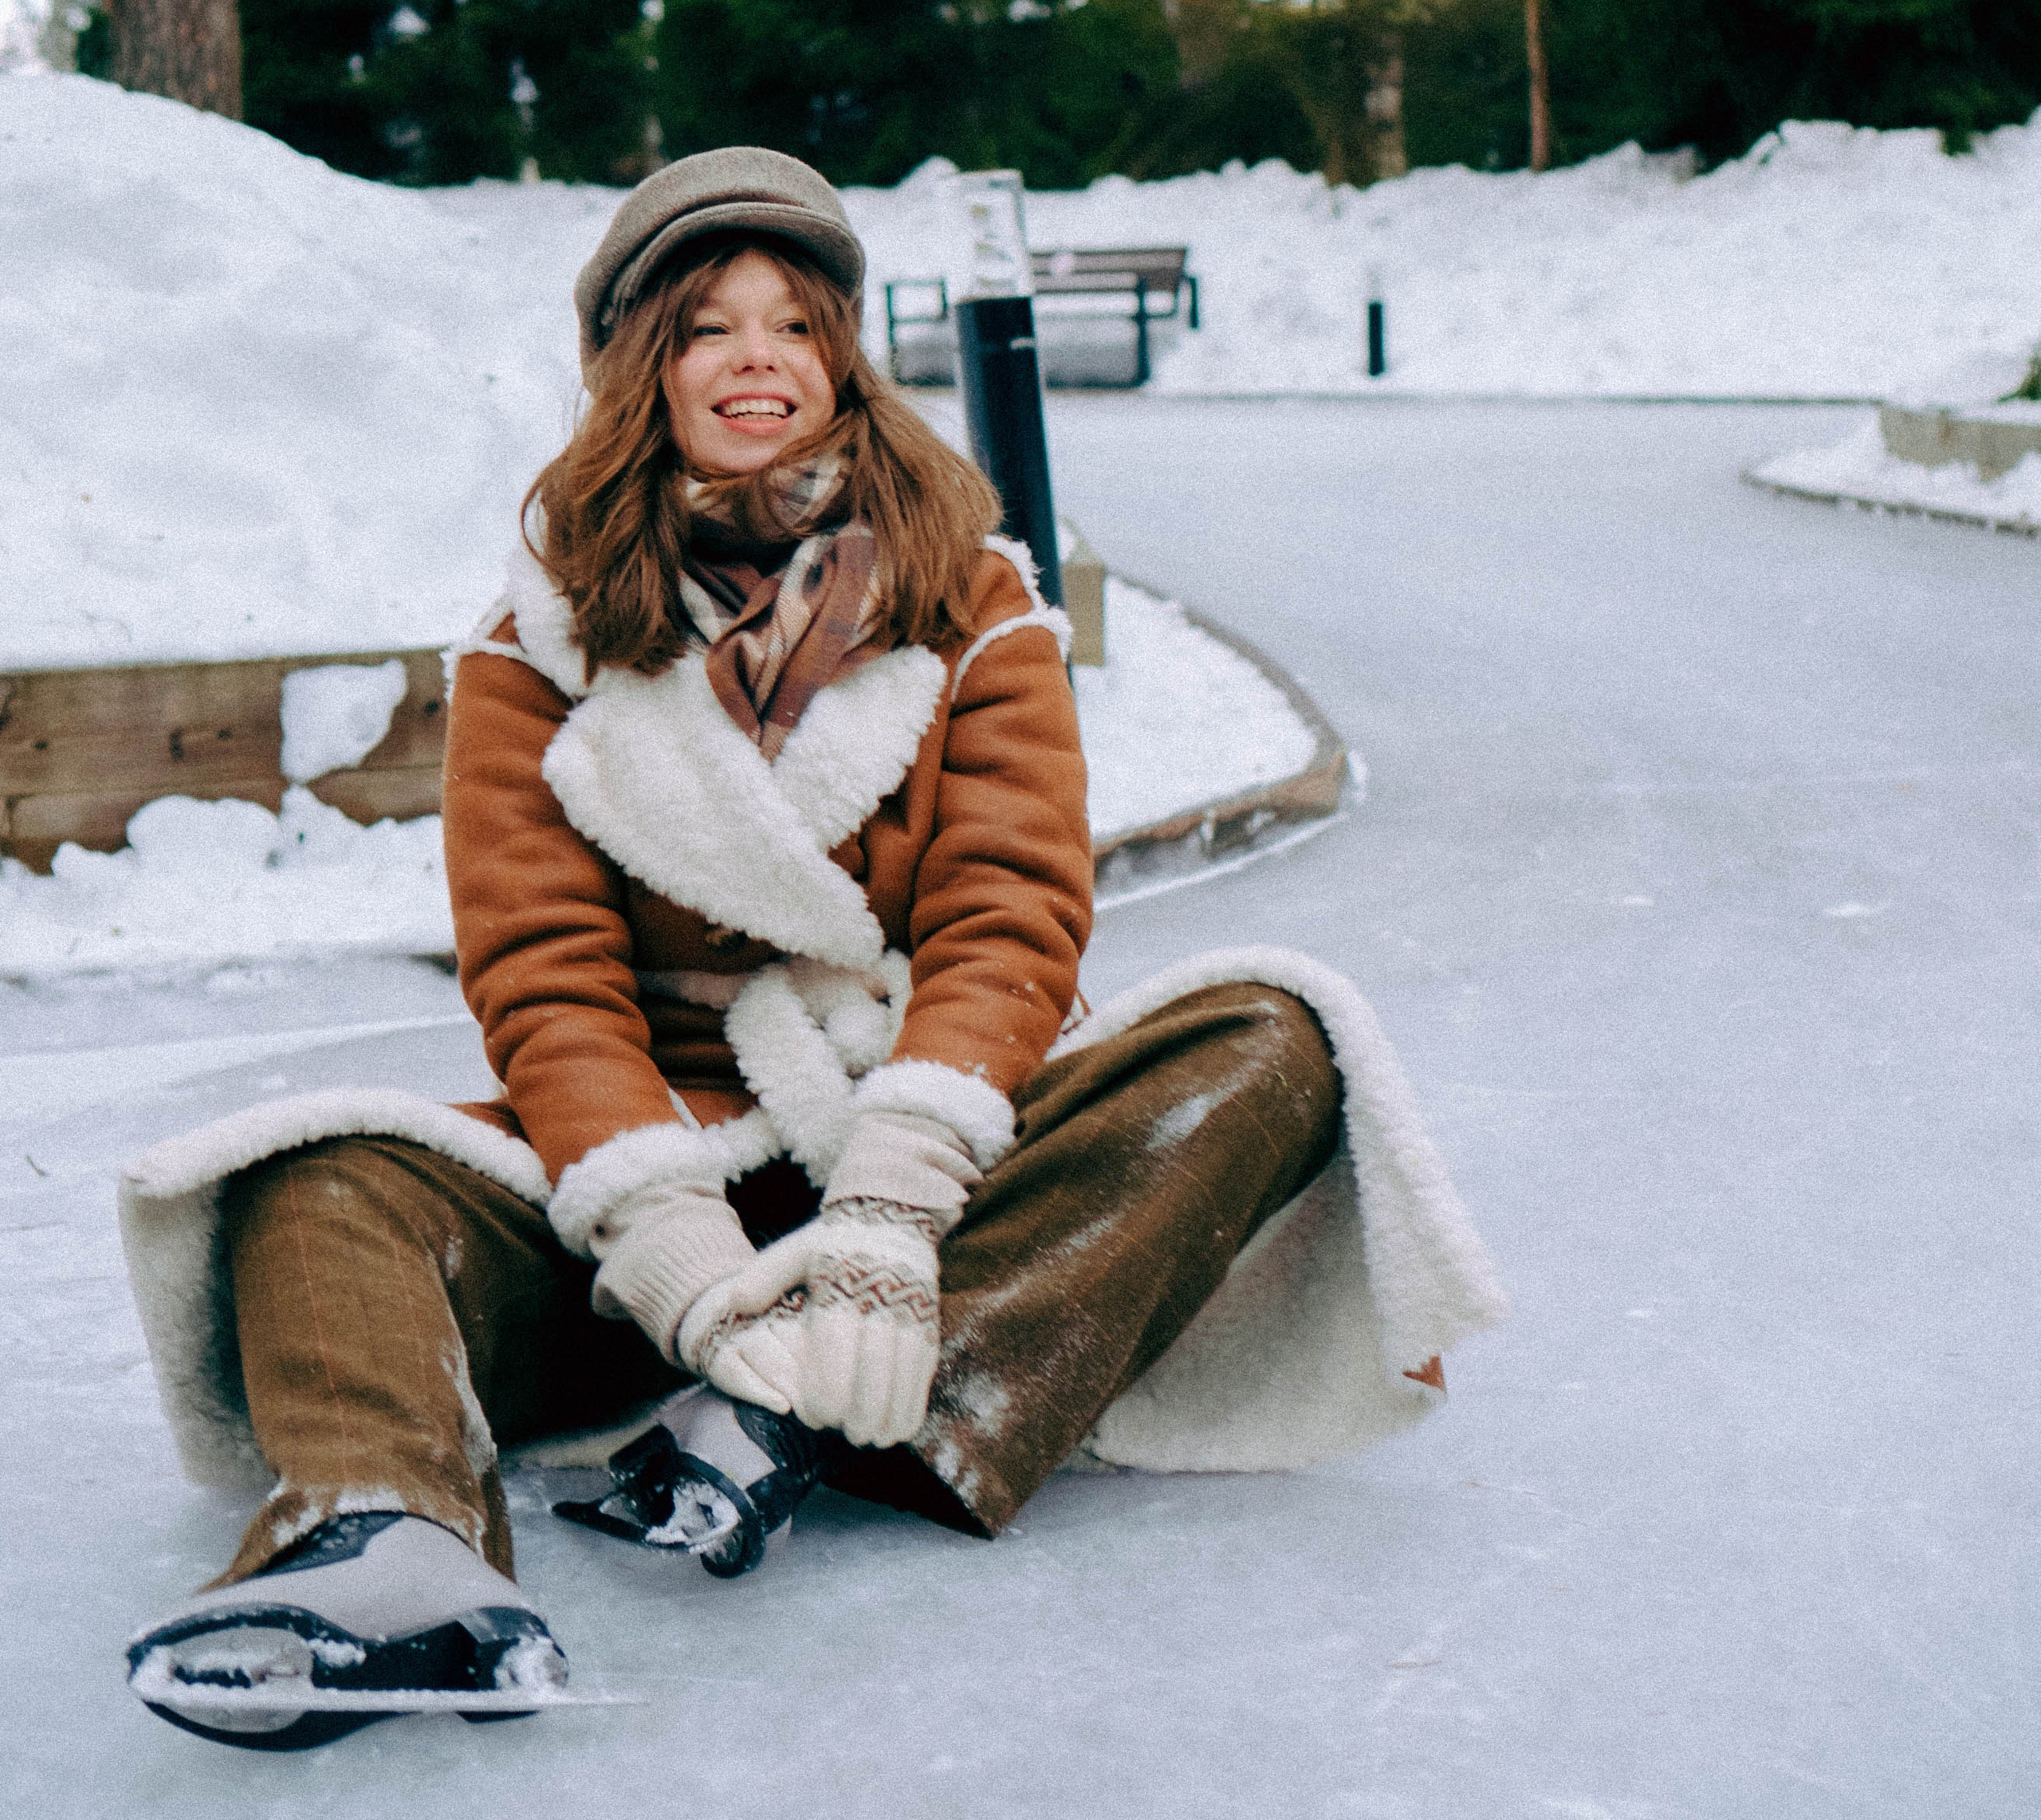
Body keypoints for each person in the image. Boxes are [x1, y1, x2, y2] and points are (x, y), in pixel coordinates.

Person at [119, 147, 1503, 1751]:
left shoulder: (970, 598)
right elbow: (545, 980)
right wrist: (677, 1258)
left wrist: (891, 1209)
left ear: (843, 355)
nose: (758, 356)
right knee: (315, 1181)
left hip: (928, 1157)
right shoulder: (534, 644)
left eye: (795, 321)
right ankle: (384, 1542)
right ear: (638, 364)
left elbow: (1007, 913)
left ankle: (785, 1422)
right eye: (709, 326)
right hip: (664, 1163)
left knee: (1272, 1035)